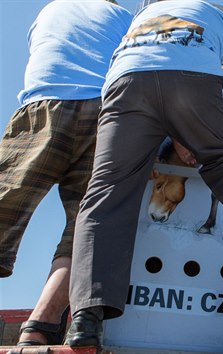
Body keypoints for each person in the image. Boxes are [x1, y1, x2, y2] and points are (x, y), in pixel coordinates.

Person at [63, 0, 223, 348]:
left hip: (127, 79)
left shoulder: (143, 16)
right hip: (193, 78)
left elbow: (152, 80)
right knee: (218, 158)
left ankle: (86, 318)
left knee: (106, 189)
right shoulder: (219, 17)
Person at [0, 0, 132, 346]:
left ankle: (41, 323)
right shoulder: (125, 17)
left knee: (6, 202)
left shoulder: (52, 9)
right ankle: (41, 323)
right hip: (105, 115)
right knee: (87, 225)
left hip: (43, 106)